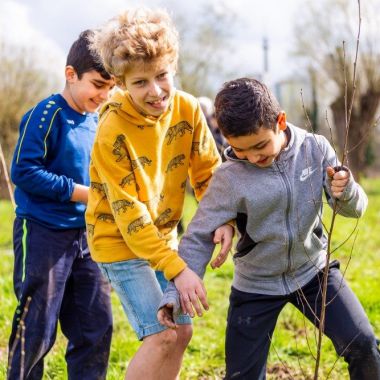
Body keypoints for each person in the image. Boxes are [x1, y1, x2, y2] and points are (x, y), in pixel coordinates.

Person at [158, 78, 380, 379]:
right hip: (256, 286)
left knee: (364, 344)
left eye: (260, 145)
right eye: (241, 150)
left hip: (314, 272)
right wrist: (173, 292)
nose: (253, 158)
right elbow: (197, 236)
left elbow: (355, 210)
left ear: (281, 121)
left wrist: (346, 190)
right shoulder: (229, 178)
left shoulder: (315, 150)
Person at [85, 8, 234, 380]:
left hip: (164, 239)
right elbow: (128, 213)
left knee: (181, 332)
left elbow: (208, 174)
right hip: (119, 240)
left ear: (173, 66)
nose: (156, 91)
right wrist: (179, 269)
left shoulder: (187, 108)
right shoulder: (111, 129)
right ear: (120, 82)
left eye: (162, 76)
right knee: (162, 334)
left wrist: (225, 218)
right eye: (140, 83)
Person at [8, 30, 115, 380]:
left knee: (95, 326)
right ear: (71, 74)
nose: (104, 95)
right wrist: (82, 193)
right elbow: (23, 171)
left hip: (88, 239)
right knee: (37, 328)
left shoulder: (100, 120)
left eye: (111, 87)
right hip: (42, 232)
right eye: (98, 84)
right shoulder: (46, 114)